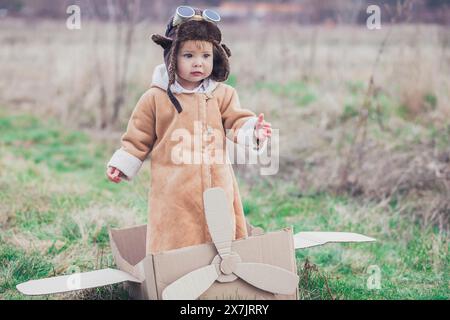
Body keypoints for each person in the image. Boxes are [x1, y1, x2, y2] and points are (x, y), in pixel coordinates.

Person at [106, 6, 272, 254]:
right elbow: (137, 137)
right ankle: (175, 277)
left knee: (221, 233)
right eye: (188, 56)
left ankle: (225, 279)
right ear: (172, 57)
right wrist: (123, 162)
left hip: (218, 183)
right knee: (178, 234)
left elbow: (237, 121)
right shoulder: (156, 97)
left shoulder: (222, 95)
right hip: (174, 189)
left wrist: (253, 131)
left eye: (206, 56)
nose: (198, 63)